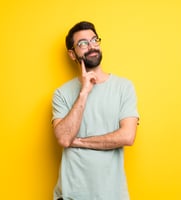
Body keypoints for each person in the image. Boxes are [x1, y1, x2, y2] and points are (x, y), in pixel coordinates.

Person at [52, 21, 139, 200]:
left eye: (94, 40)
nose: (91, 46)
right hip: (71, 195)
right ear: (72, 53)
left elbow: (127, 136)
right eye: (82, 43)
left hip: (112, 195)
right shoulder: (62, 93)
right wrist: (84, 92)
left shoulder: (124, 87)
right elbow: (63, 137)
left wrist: (78, 142)